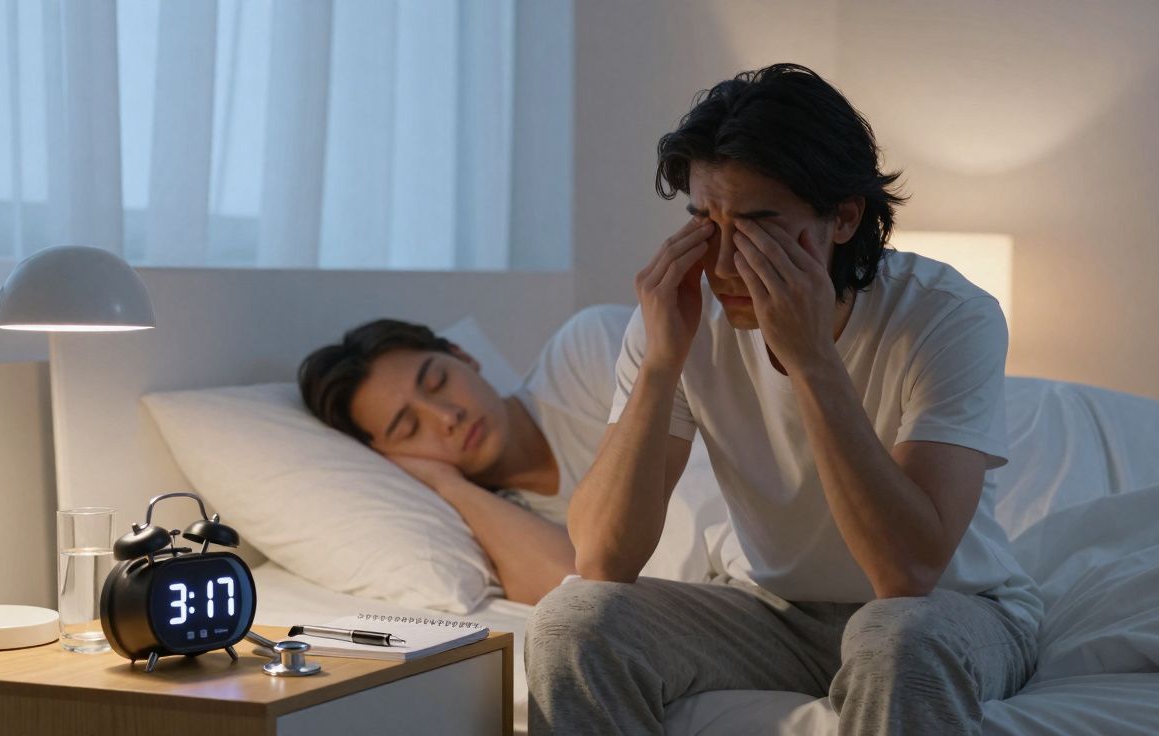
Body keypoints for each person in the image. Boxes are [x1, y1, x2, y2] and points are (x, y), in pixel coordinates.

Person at [526, 63, 1042, 735]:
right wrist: (660, 364)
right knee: (572, 621)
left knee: (898, 640)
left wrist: (813, 360)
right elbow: (602, 558)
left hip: (947, 609)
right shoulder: (684, 316)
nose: (725, 263)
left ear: (843, 218)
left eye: (760, 224)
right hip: (769, 612)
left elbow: (908, 570)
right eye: (706, 222)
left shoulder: (949, 317)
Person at [297, 305, 632, 605]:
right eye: (409, 428)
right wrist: (449, 486)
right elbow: (590, 599)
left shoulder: (590, 350)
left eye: (438, 381)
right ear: (392, 458)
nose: (446, 416)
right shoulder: (496, 530)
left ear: (463, 356)